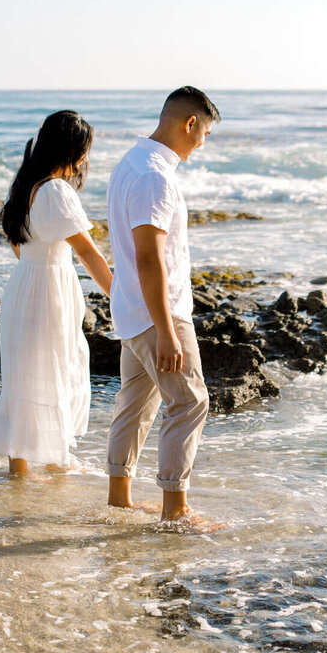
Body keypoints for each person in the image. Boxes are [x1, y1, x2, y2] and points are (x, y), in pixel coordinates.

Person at [104, 86, 220, 526]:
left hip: (131, 311)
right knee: (189, 402)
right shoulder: (154, 176)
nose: (202, 143)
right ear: (190, 123)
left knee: (136, 403)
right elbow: (150, 259)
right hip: (158, 313)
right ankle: (176, 510)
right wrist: (168, 330)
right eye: (204, 133)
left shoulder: (130, 163)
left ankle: (119, 499)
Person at [0, 110, 113, 476]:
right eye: (84, 149)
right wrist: (119, 296)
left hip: (23, 285)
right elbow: (87, 252)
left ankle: (20, 470)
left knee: (24, 375)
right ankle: (57, 463)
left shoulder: (25, 187)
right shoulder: (57, 191)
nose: (86, 158)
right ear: (70, 149)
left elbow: (19, 246)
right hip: (49, 289)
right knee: (57, 367)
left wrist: (39, 268)